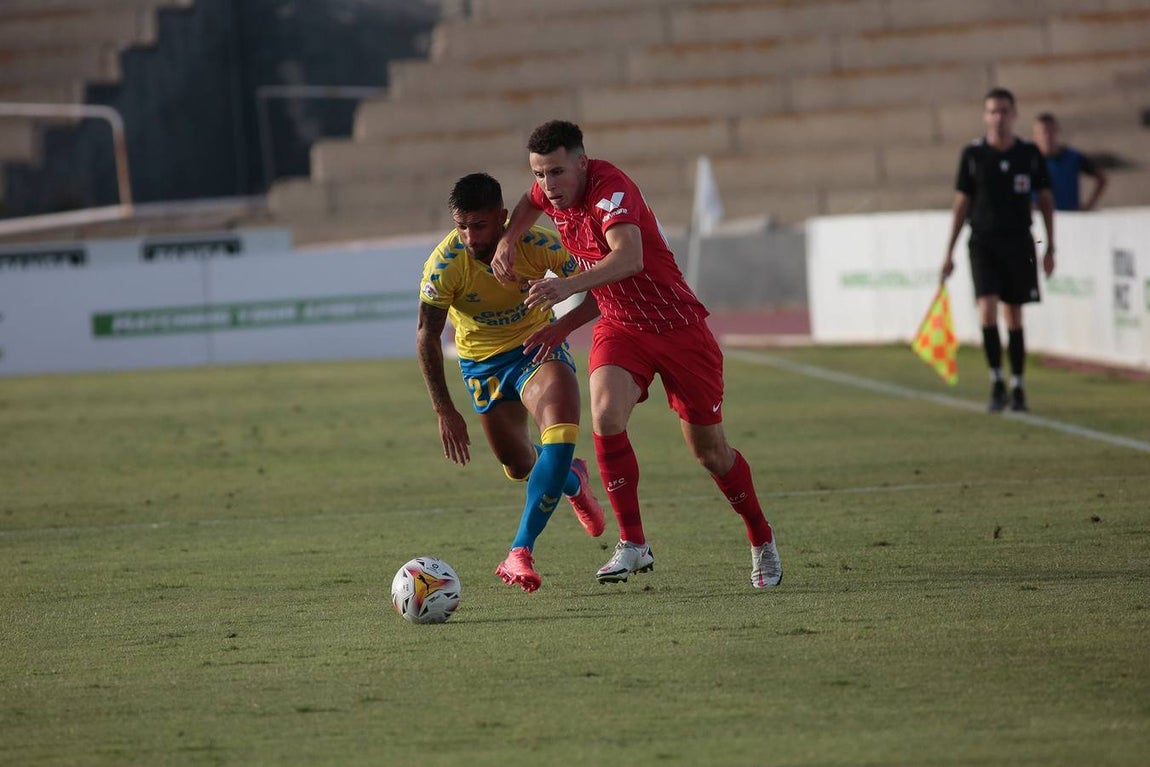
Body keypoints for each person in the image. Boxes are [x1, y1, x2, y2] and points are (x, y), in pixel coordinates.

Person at [490, 120, 783, 590]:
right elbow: (529, 202)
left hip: (679, 330)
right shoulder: (551, 192)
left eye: (557, 172)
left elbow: (628, 259)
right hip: (621, 328)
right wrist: (508, 240)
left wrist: (564, 289)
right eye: (540, 173)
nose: (548, 185)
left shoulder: (612, 190)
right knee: (605, 415)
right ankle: (633, 544)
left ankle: (761, 538)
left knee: (711, 453)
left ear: (583, 163)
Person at [416, 172, 605, 593]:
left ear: (503, 218)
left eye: (479, 225)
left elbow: (599, 287)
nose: (469, 236)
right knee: (519, 465)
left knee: (560, 433)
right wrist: (444, 409)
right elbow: (427, 334)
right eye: (460, 225)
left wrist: (562, 327)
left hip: (538, 346)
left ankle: (520, 551)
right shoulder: (445, 265)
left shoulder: (538, 246)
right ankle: (571, 480)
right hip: (483, 365)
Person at [942, 87, 1056, 413]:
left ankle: (1018, 384)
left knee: (1014, 315)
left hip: (1019, 240)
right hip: (983, 242)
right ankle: (996, 380)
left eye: (1004, 111)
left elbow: (1046, 200)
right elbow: (961, 204)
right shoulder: (974, 155)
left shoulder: (1029, 154)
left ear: (1014, 114)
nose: (999, 118)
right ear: (985, 116)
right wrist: (948, 251)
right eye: (993, 111)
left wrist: (1051, 247)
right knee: (987, 309)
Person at [1032, 112, 1108, 212]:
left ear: (1057, 131)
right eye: (1044, 131)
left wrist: (1088, 206)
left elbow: (1101, 179)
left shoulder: (1072, 157)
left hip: (1070, 218)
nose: (1048, 136)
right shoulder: (1029, 160)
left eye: (1051, 131)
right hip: (1040, 218)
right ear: (1035, 135)